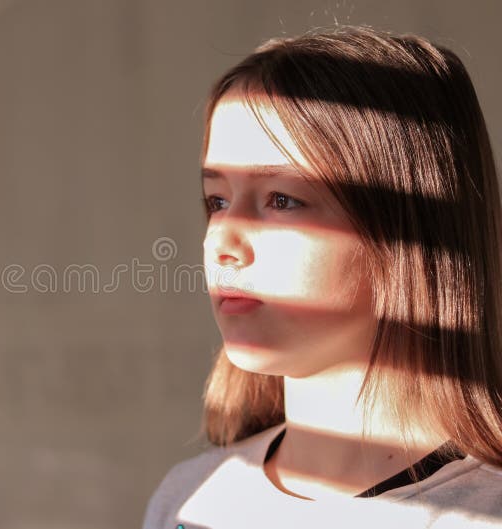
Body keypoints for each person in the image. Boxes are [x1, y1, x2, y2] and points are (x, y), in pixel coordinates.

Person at [141, 25, 502, 529]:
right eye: (217, 201)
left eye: (282, 200)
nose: (221, 242)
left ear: (404, 230)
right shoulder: (190, 497)